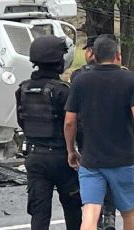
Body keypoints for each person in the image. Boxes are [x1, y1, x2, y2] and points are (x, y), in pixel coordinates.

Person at [64, 34, 134, 229]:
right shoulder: (130, 79)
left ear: (92, 54)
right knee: (130, 212)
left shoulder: (80, 81)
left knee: (90, 212)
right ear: (118, 56)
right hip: (125, 159)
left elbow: (70, 122)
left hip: (91, 160)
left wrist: (71, 150)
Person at [15, 35, 82, 230]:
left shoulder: (23, 89)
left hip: (35, 156)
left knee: (39, 212)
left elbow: (22, 121)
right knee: (73, 208)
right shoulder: (63, 91)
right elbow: (74, 124)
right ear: (58, 61)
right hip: (62, 157)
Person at [70, 34, 116, 230]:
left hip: (86, 135)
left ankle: (95, 219)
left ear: (92, 52)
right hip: (115, 135)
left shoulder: (78, 77)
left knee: (92, 180)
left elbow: (70, 118)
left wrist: (70, 147)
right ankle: (109, 215)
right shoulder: (122, 74)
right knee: (114, 175)